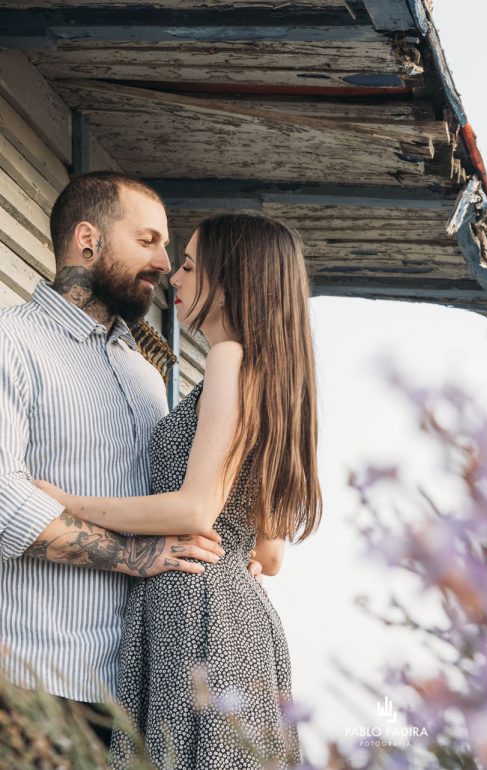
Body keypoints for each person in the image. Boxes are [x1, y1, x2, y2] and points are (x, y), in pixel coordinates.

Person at [35, 212, 323, 769]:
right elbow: (269, 554)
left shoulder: (229, 358)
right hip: (238, 620)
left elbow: (195, 507)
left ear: (232, 277)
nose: (176, 279)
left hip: (191, 612)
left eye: (190, 265)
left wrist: (62, 500)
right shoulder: (277, 378)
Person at [0, 171, 235, 745]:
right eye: (148, 240)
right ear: (88, 240)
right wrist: (137, 556)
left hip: (133, 688)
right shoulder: (12, 340)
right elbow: (4, 503)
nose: (163, 262)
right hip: (31, 676)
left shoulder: (145, 375)